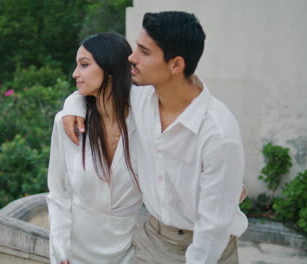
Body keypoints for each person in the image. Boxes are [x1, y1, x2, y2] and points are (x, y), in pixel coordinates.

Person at [61, 11, 248, 264]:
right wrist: (73, 105)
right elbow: (103, 90)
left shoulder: (218, 133)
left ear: (175, 65)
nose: (131, 57)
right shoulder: (140, 101)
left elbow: (212, 230)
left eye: (144, 52)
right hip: (153, 239)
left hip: (207, 249)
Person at [46, 32, 143, 264]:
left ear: (110, 68)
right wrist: (59, 246)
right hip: (73, 253)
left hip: (129, 252)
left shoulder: (145, 122)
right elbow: (57, 192)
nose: (75, 74)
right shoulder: (66, 123)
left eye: (84, 65)